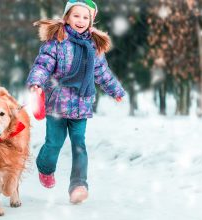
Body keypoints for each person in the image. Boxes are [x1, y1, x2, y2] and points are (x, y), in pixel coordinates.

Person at [26, 0, 125, 204]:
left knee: (79, 144)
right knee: (54, 143)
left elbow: (102, 73)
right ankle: (45, 166)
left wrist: (115, 90)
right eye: (76, 15)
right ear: (67, 17)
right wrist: (36, 82)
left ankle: (79, 186)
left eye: (85, 17)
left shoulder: (93, 47)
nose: (80, 20)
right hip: (57, 105)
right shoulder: (56, 42)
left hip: (81, 105)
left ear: (91, 21)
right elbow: (43, 65)